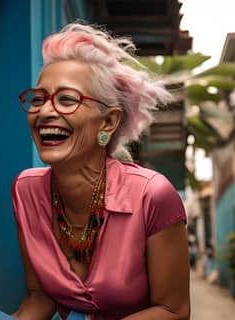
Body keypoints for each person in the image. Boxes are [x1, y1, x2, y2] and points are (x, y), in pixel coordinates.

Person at [11, 23, 190, 320]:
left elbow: (174, 311)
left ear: (107, 122)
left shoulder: (151, 195)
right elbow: (38, 299)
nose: (44, 112)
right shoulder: (25, 191)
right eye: (39, 99)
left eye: (67, 99)